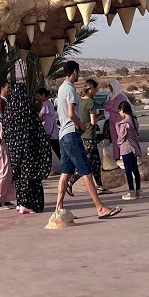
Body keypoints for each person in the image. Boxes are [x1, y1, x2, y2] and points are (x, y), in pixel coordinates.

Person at [52, 62, 122, 219]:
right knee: (86, 171)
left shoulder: (61, 88)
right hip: (71, 133)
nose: (79, 75)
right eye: (78, 72)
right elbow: (71, 113)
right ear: (74, 72)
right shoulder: (69, 88)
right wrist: (82, 126)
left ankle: (59, 210)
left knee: (66, 172)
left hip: (63, 134)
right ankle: (100, 207)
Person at [2, 82, 50, 214]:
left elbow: (5, 129)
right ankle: (29, 204)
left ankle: (21, 202)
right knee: (29, 175)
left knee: (18, 175)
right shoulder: (27, 108)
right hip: (28, 149)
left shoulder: (8, 109)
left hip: (14, 149)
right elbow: (36, 128)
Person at [78, 79, 107, 194]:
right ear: (91, 89)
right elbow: (93, 121)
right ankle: (71, 180)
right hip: (90, 134)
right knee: (90, 162)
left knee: (95, 162)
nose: (96, 91)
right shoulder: (90, 102)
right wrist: (99, 117)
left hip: (84, 134)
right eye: (95, 89)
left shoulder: (80, 101)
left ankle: (100, 186)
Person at [115, 101, 143, 200]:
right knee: (135, 169)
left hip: (126, 148)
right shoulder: (134, 121)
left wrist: (118, 143)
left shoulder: (124, 123)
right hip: (134, 148)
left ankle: (131, 192)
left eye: (119, 111)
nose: (119, 113)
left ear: (123, 110)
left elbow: (121, 137)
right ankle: (138, 190)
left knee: (128, 170)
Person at [35, 87, 60, 158]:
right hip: (52, 131)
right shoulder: (48, 103)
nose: (38, 98)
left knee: (56, 150)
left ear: (43, 95)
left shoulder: (45, 104)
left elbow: (40, 116)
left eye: (38, 96)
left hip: (51, 132)